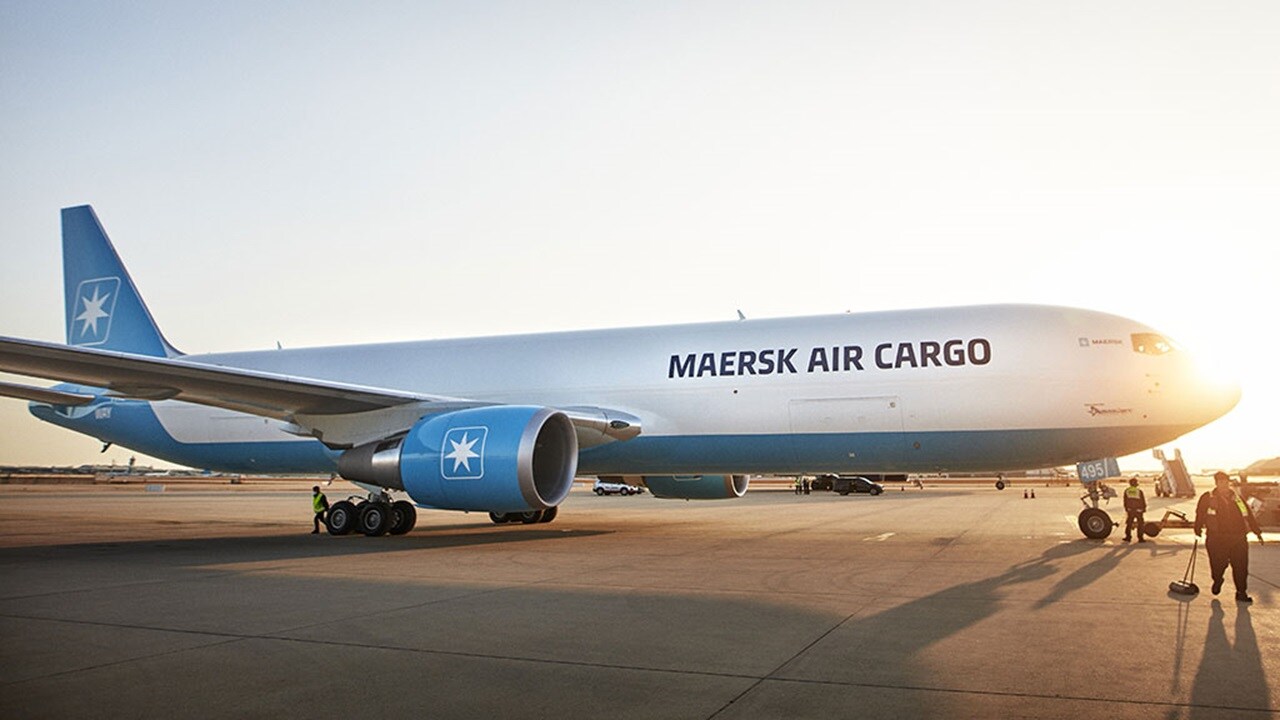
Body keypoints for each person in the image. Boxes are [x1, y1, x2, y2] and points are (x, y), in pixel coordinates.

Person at [1195, 471, 1264, 602]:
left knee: (1241, 566)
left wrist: (1257, 531)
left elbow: (1248, 514)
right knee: (1217, 565)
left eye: (1226, 481)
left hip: (1238, 538)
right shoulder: (1208, 497)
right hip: (1217, 539)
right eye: (1220, 482)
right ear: (1216, 483)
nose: (1224, 484)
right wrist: (1197, 528)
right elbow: (1200, 513)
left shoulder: (1237, 498)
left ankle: (1241, 592)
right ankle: (1218, 579)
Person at [1123, 477, 1147, 542]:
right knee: (1140, 524)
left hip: (1130, 510)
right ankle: (1140, 538)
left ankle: (1128, 537)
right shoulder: (1139, 491)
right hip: (1138, 510)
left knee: (1129, 523)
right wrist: (1144, 508)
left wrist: (1126, 509)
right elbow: (1142, 501)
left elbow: (1125, 501)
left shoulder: (1127, 491)